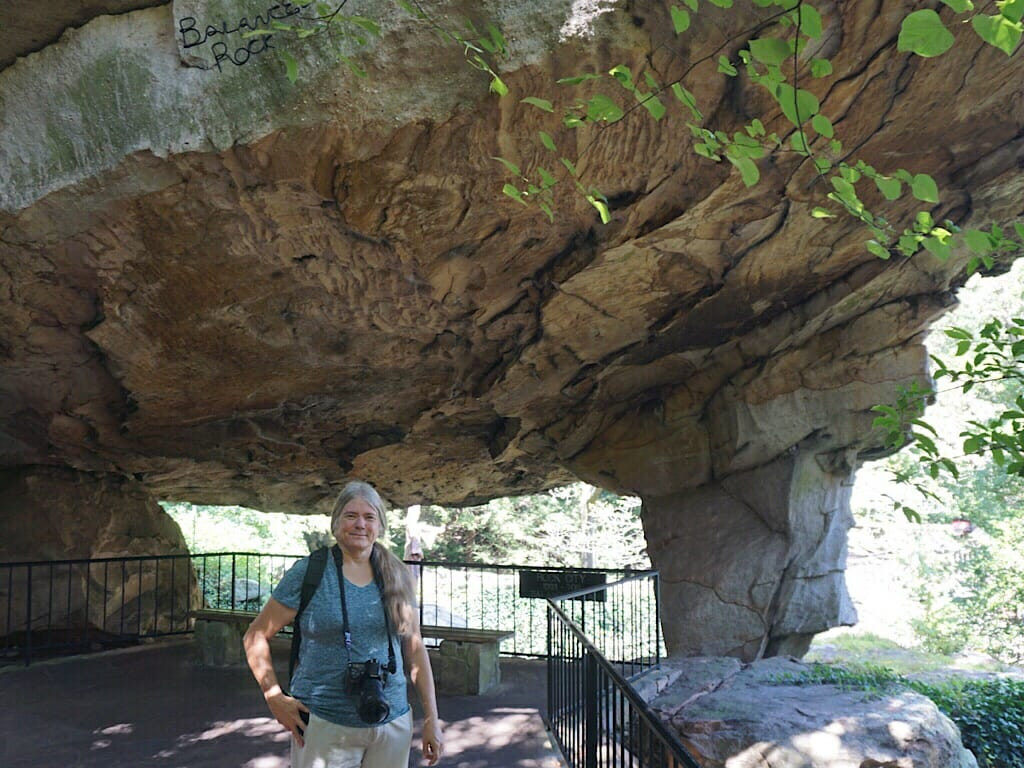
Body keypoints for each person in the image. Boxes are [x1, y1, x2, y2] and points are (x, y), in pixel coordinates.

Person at [243, 481, 444, 767]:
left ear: (380, 526)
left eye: (369, 517)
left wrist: (432, 719)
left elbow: (413, 647)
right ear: (336, 523)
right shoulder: (310, 572)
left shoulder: (397, 574)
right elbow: (255, 635)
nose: (360, 524)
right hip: (324, 721)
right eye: (351, 516)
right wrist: (274, 696)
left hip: (392, 719)